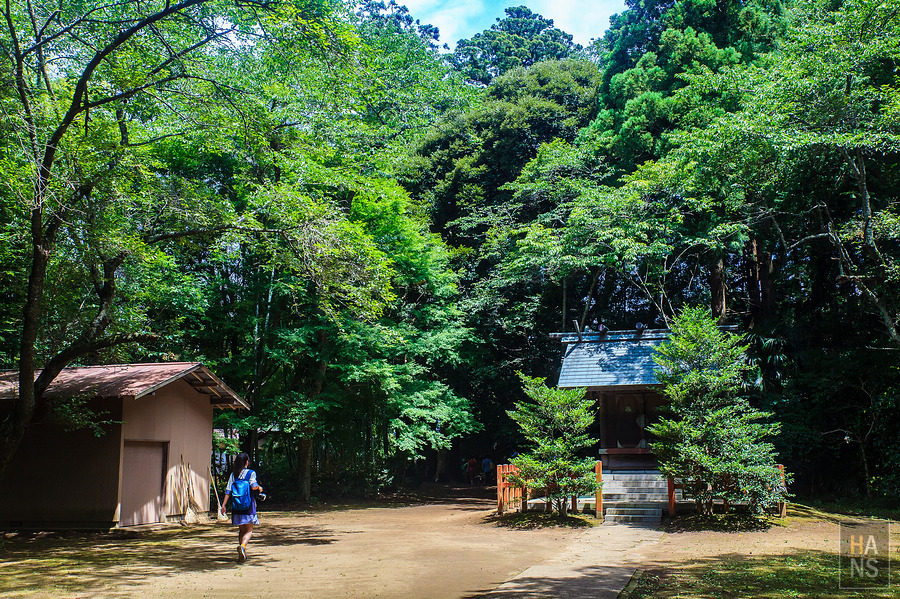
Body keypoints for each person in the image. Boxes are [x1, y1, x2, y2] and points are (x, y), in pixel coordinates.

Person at [220, 452, 263, 563]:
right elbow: (253, 487)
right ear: (246, 462)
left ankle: (241, 551)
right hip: (248, 506)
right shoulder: (251, 473)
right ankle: (243, 547)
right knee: (249, 530)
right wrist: (259, 488)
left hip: (236, 507)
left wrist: (223, 505)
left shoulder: (233, 474)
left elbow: (228, 491)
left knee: (241, 530)